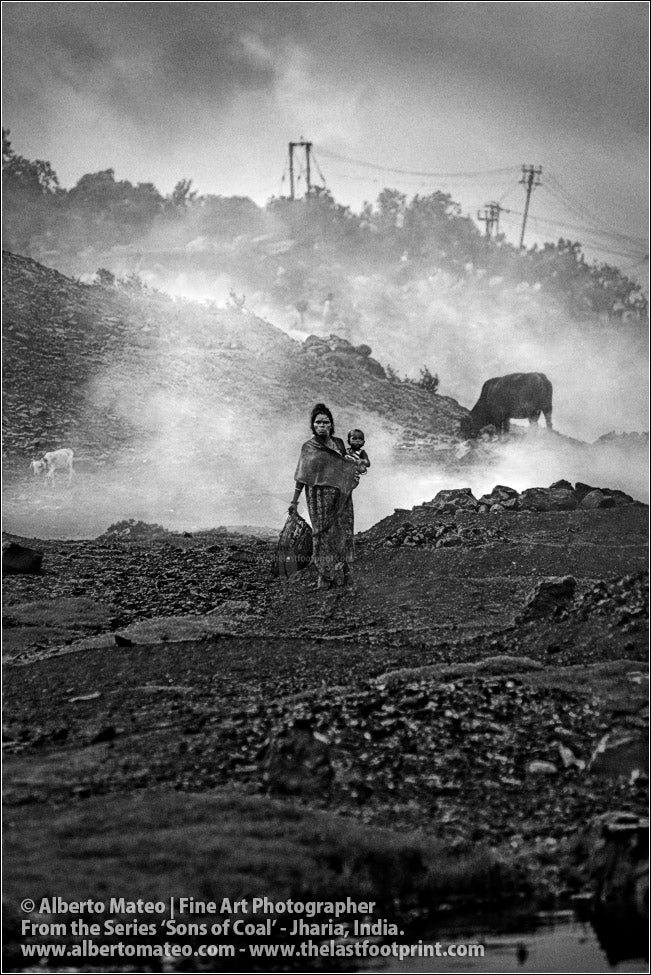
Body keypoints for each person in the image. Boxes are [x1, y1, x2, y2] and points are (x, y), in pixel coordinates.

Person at [289, 403, 360, 589]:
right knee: (321, 533)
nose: (322, 426)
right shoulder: (308, 447)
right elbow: (301, 475)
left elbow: (344, 464)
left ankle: (345, 570)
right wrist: (294, 501)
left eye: (325, 422)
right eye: (318, 422)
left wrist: (354, 468)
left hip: (341, 495)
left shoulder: (338, 444)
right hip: (318, 496)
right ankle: (325, 575)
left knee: (343, 530)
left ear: (331, 425)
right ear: (313, 426)